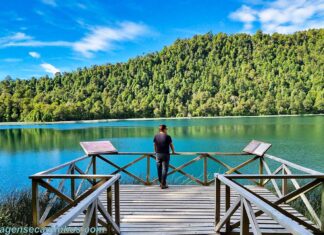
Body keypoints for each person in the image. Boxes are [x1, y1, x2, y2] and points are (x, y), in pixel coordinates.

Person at [153, 124, 175, 189]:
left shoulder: (156, 136)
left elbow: (154, 145)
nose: (167, 130)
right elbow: (171, 145)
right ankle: (163, 184)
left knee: (159, 169)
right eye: (166, 129)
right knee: (165, 169)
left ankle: (161, 183)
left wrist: (155, 151)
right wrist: (173, 151)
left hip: (158, 154)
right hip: (166, 154)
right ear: (164, 129)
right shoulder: (168, 136)